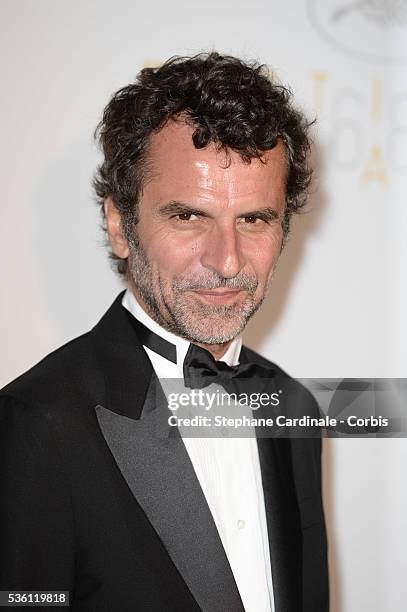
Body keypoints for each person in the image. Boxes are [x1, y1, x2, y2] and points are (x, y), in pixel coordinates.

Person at [0, 52, 328, 611]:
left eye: (254, 219)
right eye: (188, 216)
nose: (227, 261)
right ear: (119, 225)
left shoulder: (293, 404)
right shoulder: (34, 423)